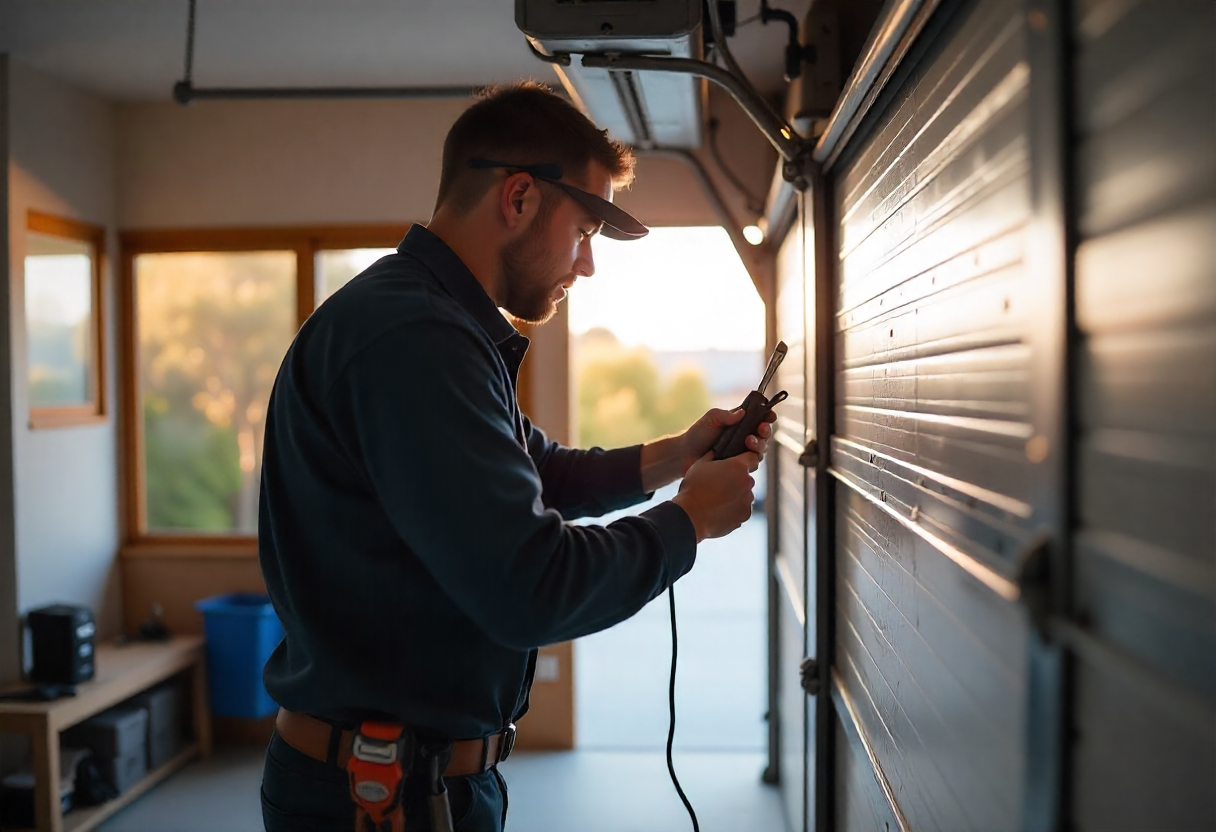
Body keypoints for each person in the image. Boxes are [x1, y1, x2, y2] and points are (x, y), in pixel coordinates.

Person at [257, 80, 774, 832]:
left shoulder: (434, 323)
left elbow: (541, 471)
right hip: (379, 800)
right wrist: (688, 521)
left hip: (409, 780)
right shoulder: (415, 338)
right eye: (585, 230)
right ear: (520, 197)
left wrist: (676, 455)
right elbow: (532, 586)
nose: (587, 265)